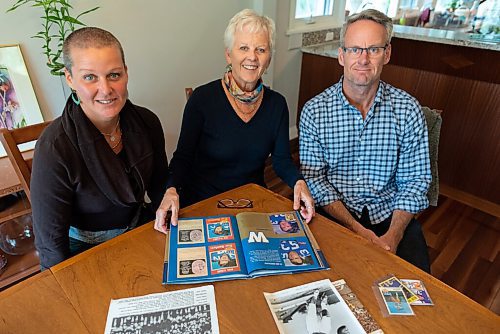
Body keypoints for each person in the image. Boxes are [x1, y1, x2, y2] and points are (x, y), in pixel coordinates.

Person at [155, 9, 314, 231]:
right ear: (229, 54)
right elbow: (183, 157)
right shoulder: (202, 99)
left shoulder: (277, 104)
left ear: (268, 57)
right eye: (243, 48)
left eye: (261, 49)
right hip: (203, 203)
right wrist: (171, 189)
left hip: (251, 204)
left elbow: (281, 161)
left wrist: (299, 182)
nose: (252, 57)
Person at [299, 9, 431, 272]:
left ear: (388, 53)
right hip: (335, 214)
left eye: (373, 49)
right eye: (355, 49)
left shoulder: (408, 110)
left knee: (418, 293)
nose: (363, 58)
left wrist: (393, 236)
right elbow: (314, 178)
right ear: (341, 55)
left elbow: (416, 182)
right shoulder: (315, 111)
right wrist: (355, 229)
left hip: (392, 216)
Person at [31, 27, 169, 269]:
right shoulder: (54, 148)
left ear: (126, 72)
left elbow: (160, 189)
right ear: (70, 78)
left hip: (141, 228)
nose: (105, 90)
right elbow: (50, 243)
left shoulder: (148, 122)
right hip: (84, 249)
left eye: (114, 75)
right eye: (90, 77)